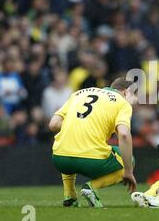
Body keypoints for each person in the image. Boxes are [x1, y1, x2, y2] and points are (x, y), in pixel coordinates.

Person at [49, 77, 137, 207]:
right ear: (127, 92)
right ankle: (92, 187)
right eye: (136, 95)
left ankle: (70, 196)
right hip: (92, 161)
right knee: (129, 160)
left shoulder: (79, 93)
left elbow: (53, 124)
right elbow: (124, 135)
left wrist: (79, 127)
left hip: (59, 159)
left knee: (68, 141)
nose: (137, 100)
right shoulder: (122, 103)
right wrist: (129, 172)